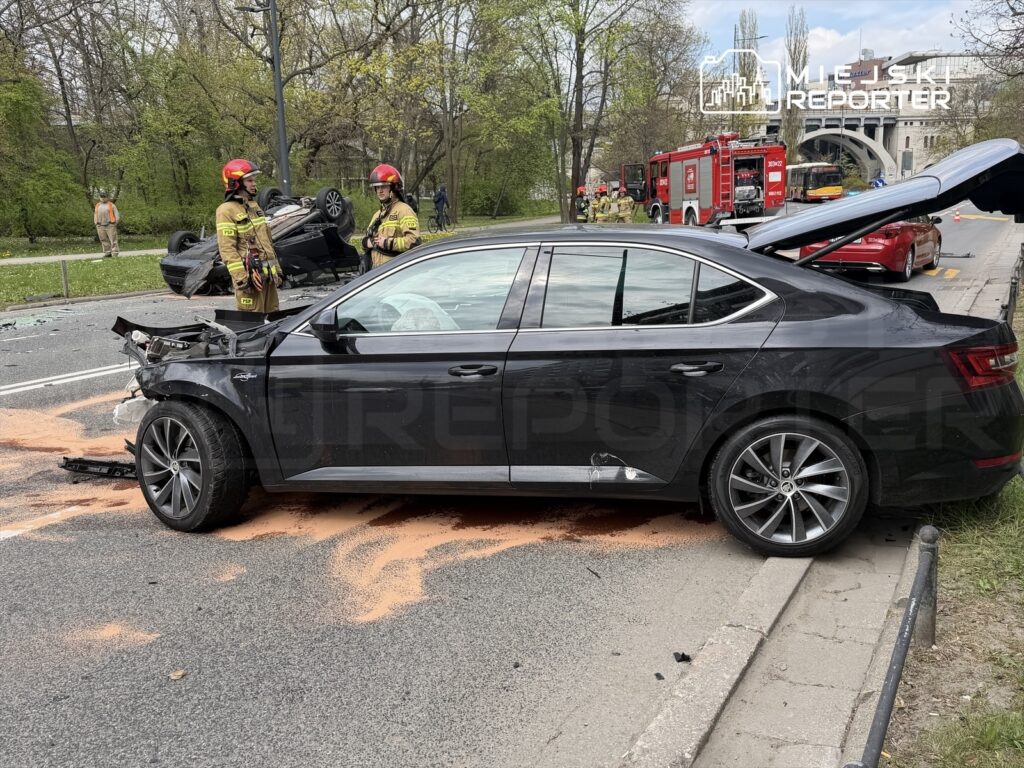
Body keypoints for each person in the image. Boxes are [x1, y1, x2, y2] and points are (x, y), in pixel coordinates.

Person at [215, 159, 283, 313]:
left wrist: (277, 270)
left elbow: (267, 242)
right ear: (235, 182)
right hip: (250, 282)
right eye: (249, 180)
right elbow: (227, 249)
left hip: (269, 278)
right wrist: (242, 279)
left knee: (274, 321)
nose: (254, 184)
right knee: (253, 325)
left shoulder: (254, 207)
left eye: (254, 180)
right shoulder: (226, 210)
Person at [362, 163, 421, 270]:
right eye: (377, 187)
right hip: (376, 272)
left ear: (394, 188)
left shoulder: (404, 210)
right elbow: (367, 239)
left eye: (384, 186)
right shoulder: (377, 215)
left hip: (395, 272)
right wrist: (367, 242)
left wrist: (387, 243)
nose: (380, 190)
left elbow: (414, 242)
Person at [94, 191, 120, 258]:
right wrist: (96, 223)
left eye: (104, 197)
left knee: (113, 239)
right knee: (103, 239)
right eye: (101, 197)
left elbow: (117, 214)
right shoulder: (97, 205)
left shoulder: (111, 205)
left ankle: (115, 253)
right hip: (100, 225)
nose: (103, 198)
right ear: (100, 198)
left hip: (110, 225)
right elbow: (95, 214)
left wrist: (115, 223)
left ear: (107, 197)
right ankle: (107, 253)